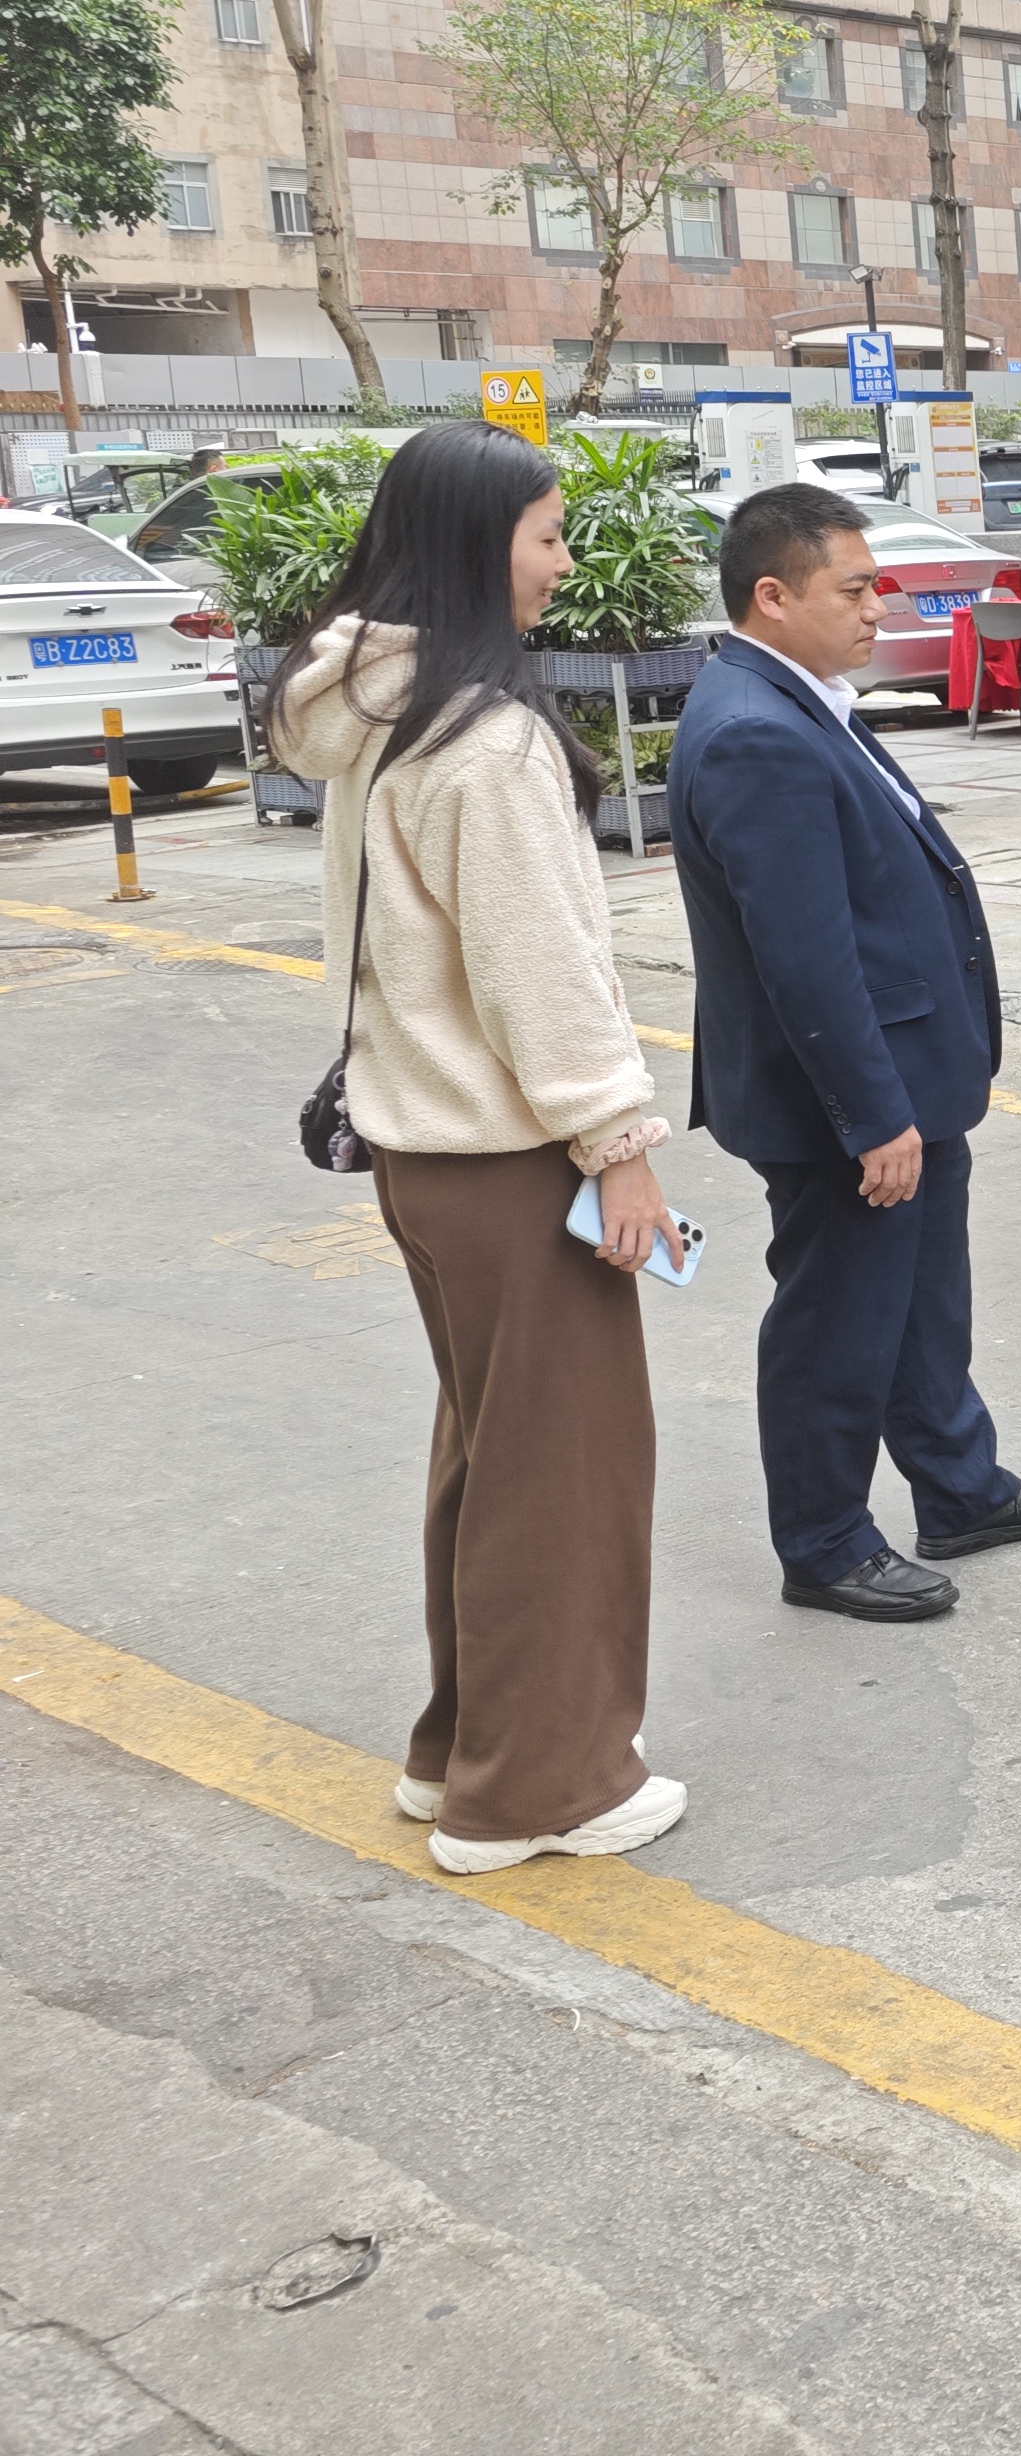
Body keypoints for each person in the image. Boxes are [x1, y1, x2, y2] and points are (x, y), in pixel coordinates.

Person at [266, 422, 690, 1875]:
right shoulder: (485, 739)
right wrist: (619, 1144)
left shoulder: (375, 707)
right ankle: (536, 1791)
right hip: (510, 1154)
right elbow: (541, 975)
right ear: (472, 547)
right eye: (546, 537)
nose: (563, 566)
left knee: (488, 1456)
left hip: (419, 1148)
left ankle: (461, 1748)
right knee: (565, 1471)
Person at [667, 481, 1021, 1622]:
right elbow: (804, 957)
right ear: (773, 596)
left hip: (906, 1074)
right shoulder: (756, 733)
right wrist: (872, 1116)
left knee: (920, 1301)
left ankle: (961, 1487)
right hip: (844, 1100)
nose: (878, 608)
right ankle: (823, 1541)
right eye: (854, 589)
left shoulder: (800, 701)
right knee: (838, 1321)